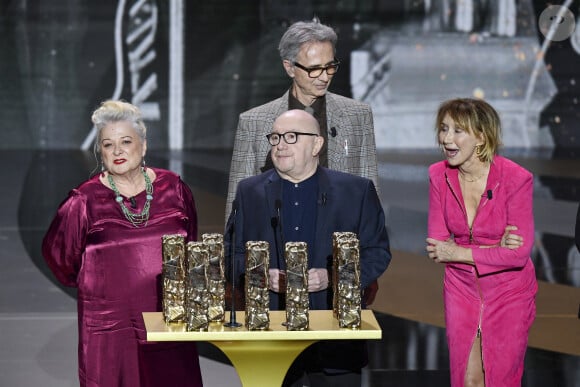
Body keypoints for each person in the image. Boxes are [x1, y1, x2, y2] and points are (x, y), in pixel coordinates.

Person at [42, 100, 203, 387]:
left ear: (143, 144)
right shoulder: (83, 200)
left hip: (168, 320)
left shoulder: (174, 188)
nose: (117, 151)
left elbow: (192, 247)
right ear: (100, 151)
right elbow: (60, 258)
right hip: (110, 330)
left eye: (126, 141)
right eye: (107, 144)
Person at [226, 109, 391, 386]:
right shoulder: (249, 191)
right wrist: (262, 276)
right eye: (275, 137)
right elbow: (232, 255)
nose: (280, 144)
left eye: (291, 137)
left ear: (317, 144)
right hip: (271, 335)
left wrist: (333, 276)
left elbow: (377, 253)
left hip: (335, 339)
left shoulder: (356, 191)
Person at [226, 19, 380, 303]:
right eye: (313, 68)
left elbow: (371, 192)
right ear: (289, 67)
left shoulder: (357, 115)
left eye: (330, 66)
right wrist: (242, 275)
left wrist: (360, 274)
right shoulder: (255, 121)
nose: (324, 76)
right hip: (274, 272)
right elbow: (236, 209)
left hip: (336, 271)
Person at [425, 98, 537, 387]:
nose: (446, 139)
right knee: (468, 379)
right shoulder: (438, 175)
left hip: (509, 291)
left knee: (498, 379)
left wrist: (460, 250)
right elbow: (438, 247)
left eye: (458, 131)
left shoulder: (516, 178)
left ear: (481, 137)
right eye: (443, 129)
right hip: (460, 288)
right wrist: (493, 248)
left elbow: (519, 255)